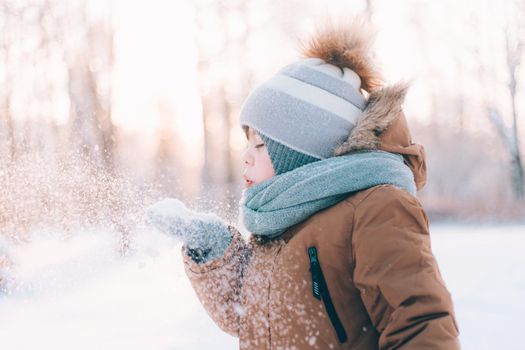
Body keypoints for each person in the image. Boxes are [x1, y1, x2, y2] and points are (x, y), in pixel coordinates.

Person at [148, 19, 460, 350]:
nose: (245, 158)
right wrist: (214, 248)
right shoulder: (281, 220)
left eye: (260, 145)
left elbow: (420, 324)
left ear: (301, 153)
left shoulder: (375, 210)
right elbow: (253, 313)